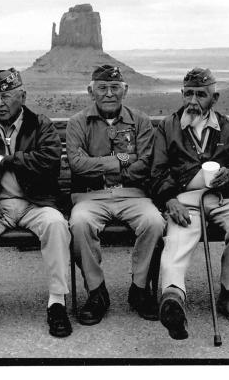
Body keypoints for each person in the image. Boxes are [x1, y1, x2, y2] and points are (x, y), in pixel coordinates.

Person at [0, 68, 72, 341]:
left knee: (57, 225)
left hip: (37, 203)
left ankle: (57, 302)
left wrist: (2, 160)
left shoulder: (40, 124)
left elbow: (48, 161)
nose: (0, 104)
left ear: (22, 96)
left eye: (6, 97)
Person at [150, 68, 229, 340]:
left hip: (222, 197)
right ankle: (173, 298)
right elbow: (158, 171)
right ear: (182, 94)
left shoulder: (228, 128)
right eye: (189, 93)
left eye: (201, 94)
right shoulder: (168, 126)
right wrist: (170, 199)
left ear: (215, 97)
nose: (193, 101)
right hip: (184, 199)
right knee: (178, 235)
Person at [66, 64, 166, 326]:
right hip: (91, 196)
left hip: (133, 195)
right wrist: (120, 161)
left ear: (125, 90)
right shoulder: (77, 122)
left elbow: (144, 161)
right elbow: (77, 164)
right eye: (102, 88)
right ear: (91, 91)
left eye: (114, 88)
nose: (109, 93)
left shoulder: (140, 120)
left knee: (154, 222)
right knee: (79, 224)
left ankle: (140, 288)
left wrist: (99, 162)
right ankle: (97, 292)